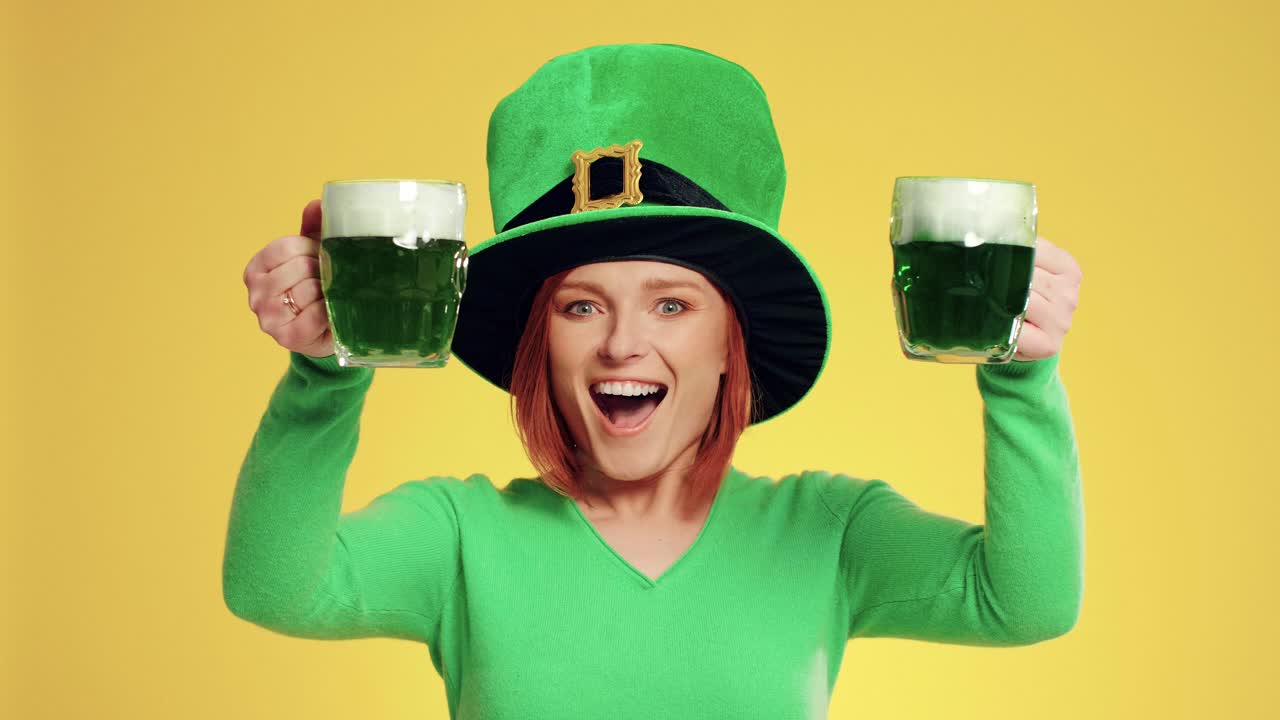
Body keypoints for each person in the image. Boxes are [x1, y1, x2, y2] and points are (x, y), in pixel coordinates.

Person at [225, 43, 1084, 719]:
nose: (622, 346)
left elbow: (1025, 605)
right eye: (581, 308)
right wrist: (322, 373)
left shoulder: (828, 531)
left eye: (672, 306)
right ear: (540, 347)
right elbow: (275, 589)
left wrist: (1024, 380)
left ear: (728, 343)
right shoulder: (459, 535)